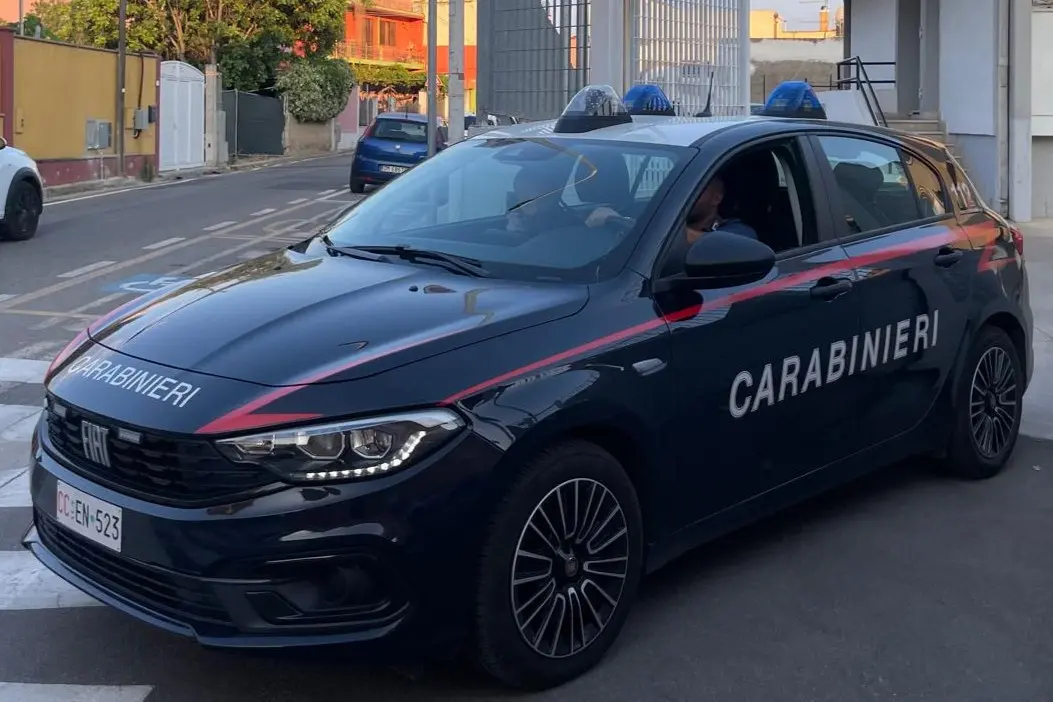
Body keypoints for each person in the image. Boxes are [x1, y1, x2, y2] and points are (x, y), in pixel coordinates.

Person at [684, 173, 758, 244]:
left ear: (716, 198)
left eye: (695, 190)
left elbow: (716, 243)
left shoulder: (740, 232)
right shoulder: (678, 219)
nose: (686, 196)